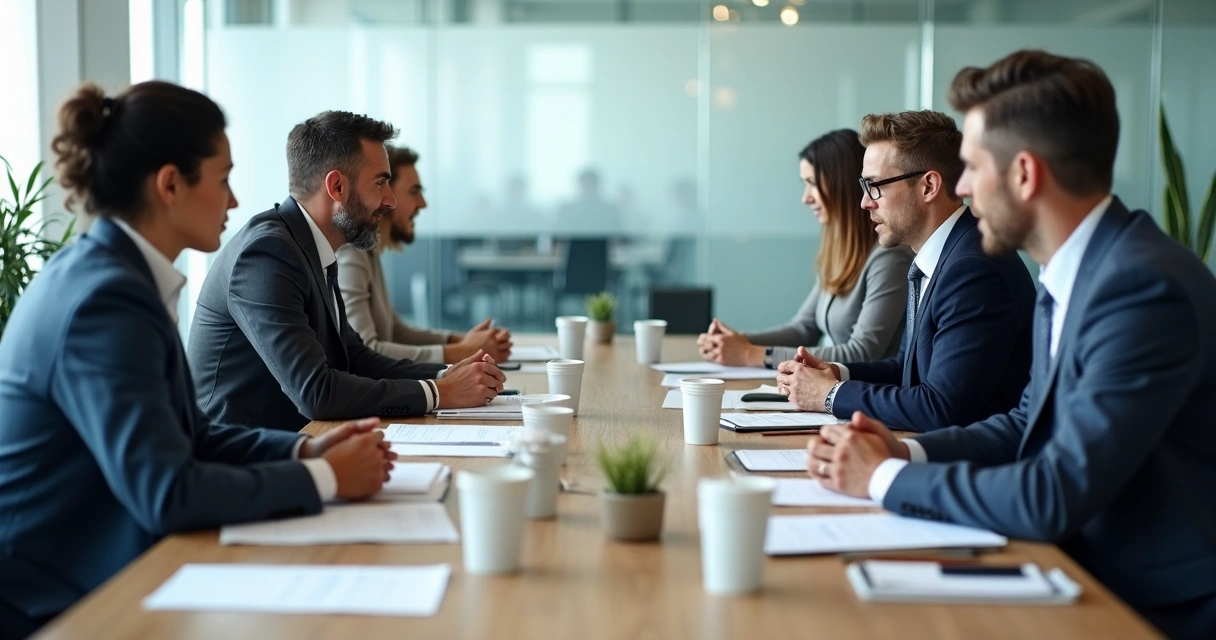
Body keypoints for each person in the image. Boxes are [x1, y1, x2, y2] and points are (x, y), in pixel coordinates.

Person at [806, 50, 1216, 639]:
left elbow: (1054, 491)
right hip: (1081, 570)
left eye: (972, 167)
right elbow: (1027, 421)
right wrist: (906, 454)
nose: (962, 187)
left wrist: (881, 480)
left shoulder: (1141, 288)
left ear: (1024, 174)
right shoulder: (1078, 269)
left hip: (1147, 606)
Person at [0, 82, 394, 639]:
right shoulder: (104, 300)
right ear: (169, 185)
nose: (234, 201)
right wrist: (324, 478)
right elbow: (168, 492)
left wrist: (307, 447)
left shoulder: (118, 277)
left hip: (103, 571)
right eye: (223, 179)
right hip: (57, 601)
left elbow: (192, 436)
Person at [188, 111, 504, 432]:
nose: (390, 200)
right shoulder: (268, 254)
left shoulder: (311, 246)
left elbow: (355, 359)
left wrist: (444, 374)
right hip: (242, 455)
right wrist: (441, 393)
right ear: (337, 186)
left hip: (298, 435)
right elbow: (316, 392)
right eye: (381, 182)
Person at [777, 111, 1036, 433]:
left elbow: (940, 407)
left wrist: (828, 394)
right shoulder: (938, 255)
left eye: (875, 187)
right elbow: (907, 369)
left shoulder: (973, 268)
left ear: (928, 185)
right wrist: (836, 373)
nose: (864, 203)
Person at [697, 130, 913, 367]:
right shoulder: (841, 252)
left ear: (842, 186)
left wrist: (751, 354)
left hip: (868, 396)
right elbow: (804, 328)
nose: (806, 198)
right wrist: (736, 341)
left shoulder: (889, 259)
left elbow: (861, 353)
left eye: (812, 184)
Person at [336, 145, 512, 364]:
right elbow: (367, 351)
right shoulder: (351, 253)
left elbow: (395, 331)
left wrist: (464, 341)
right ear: (384, 193)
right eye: (414, 191)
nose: (423, 203)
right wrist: (464, 350)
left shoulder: (368, 251)